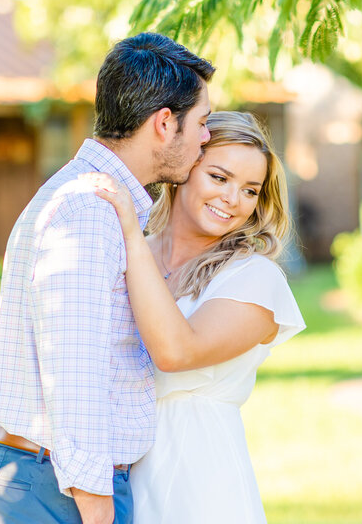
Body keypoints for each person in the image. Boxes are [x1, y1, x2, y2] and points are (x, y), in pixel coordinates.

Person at [0, 32, 215, 524]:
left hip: (46, 480)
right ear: (165, 123)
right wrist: (97, 508)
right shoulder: (90, 210)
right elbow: (74, 371)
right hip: (57, 490)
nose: (206, 138)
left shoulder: (89, 199)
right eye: (201, 123)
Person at [83, 110, 305, 524]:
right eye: (219, 178)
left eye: (251, 190)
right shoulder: (129, 250)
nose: (232, 200)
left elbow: (176, 352)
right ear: (186, 167)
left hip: (199, 480)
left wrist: (131, 230)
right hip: (114, 472)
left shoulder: (256, 280)